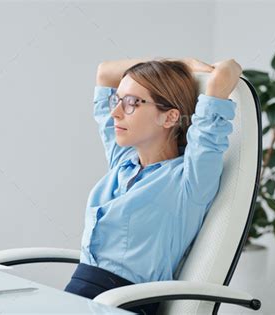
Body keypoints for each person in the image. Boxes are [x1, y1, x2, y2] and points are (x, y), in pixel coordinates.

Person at [63, 57, 242, 315]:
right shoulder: (123, 162)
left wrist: (189, 73)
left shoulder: (189, 180)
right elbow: (105, 72)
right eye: (117, 101)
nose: (115, 113)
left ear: (169, 118)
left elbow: (227, 70)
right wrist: (179, 62)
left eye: (132, 103)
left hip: (122, 306)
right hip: (77, 299)